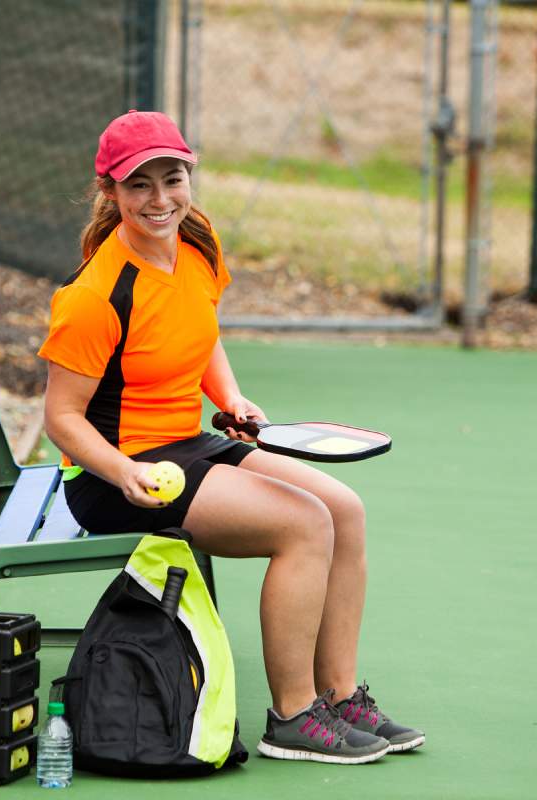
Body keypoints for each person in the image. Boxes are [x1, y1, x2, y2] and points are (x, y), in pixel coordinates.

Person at [38, 110, 423, 765]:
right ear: (110, 191)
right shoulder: (95, 295)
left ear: (191, 176)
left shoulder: (197, 242)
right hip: (115, 476)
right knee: (303, 525)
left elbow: (200, 329)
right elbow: (62, 419)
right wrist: (124, 473)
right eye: (140, 185)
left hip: (186, 444)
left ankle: (339, 694)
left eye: (173, 178)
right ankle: (293, 718)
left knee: (345, 512)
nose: (160, 199)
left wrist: (231, 397)